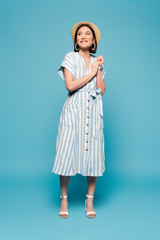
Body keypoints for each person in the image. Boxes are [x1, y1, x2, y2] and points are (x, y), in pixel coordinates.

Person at [52, 21, 106, 219]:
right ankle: (63, 198)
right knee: (66, 154)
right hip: (73, 112)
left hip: (92, 112)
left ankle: (89, 199)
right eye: (80, 34)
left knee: (93, 156)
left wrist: (97, 69)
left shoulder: (95, 62)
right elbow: (70, 85)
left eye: (87, 34)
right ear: (76, 40)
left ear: (93, 41)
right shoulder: (70, 57)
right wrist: (90, 72)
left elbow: (102, 89)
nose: (83, 36)